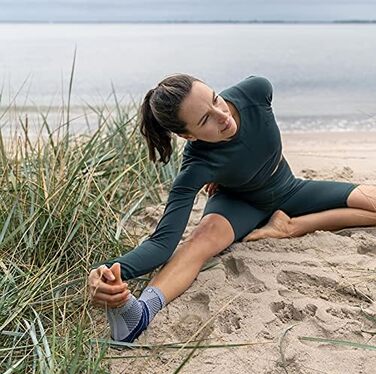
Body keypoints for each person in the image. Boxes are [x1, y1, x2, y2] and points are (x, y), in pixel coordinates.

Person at [88, 73, 376, 343]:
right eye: (205, 120)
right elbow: (163, 244)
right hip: (239, 204)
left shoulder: (256, 91)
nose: (222, 115)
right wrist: (110, 272)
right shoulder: (195, 167)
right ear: (189, 136)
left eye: (215, 99)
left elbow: (251, 137)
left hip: (292, 189)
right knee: (198, 242)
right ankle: (143, 312)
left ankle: (293, 226)